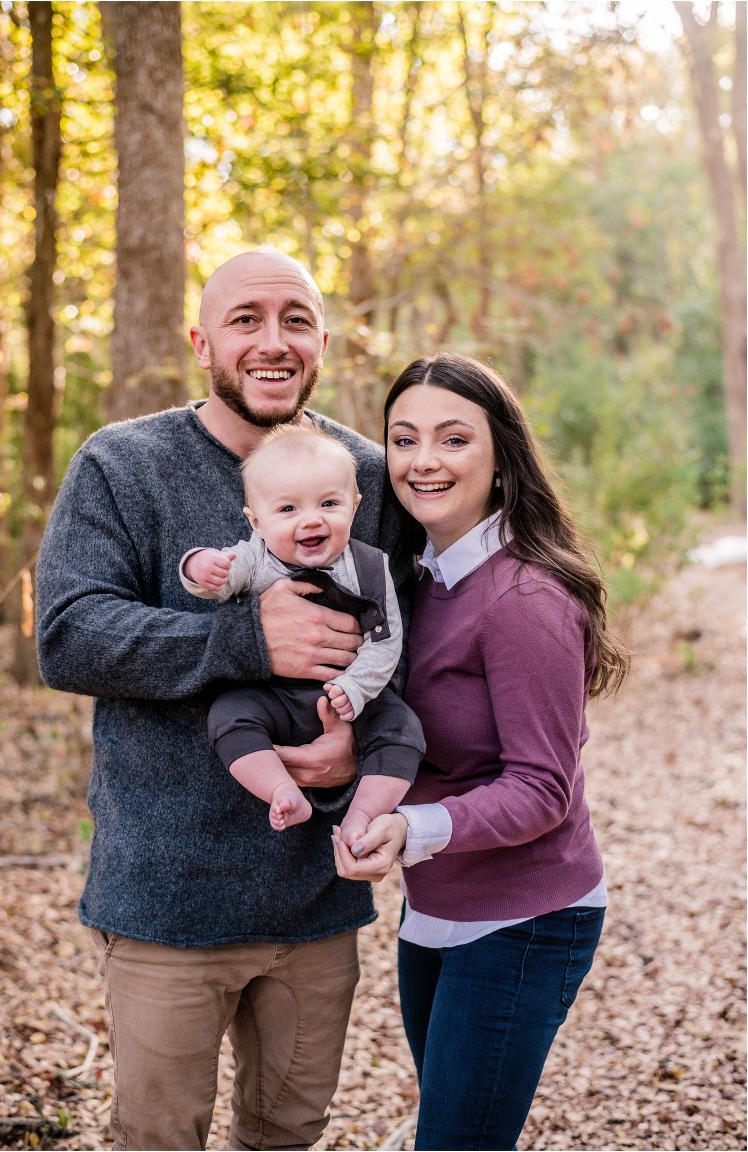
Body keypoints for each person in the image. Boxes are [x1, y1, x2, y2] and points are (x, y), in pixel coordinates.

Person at [36, 247, 416, 1152]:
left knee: (287, 1131)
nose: (273, 341)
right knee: (160, 1137)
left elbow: (410, 647)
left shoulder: (365, 474)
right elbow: (67, 632)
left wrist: (361, 748)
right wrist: (241, 639)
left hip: (313, 903)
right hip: (168, 900)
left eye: (296, 319)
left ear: (323, 339)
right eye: (246, 319)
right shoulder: (122, 465)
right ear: (203, 340)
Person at [333, 353, 630, 1152]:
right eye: (404, 439)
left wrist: (412, 828)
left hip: (527, 916)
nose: (424, 460)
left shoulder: (524, 597)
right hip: (435, 907)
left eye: (453, 438)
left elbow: (543, 789)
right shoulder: (418, 580)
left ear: (501, 459)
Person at [180, 422, 424, 836]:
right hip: (272, 695)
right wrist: (199, 567)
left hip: (346, 696)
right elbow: (219, 580)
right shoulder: (256, 559)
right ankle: (281, 791)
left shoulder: (367, 566)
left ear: (355, 505)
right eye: (288, 510)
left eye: (329, 504)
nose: (310, 521)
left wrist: (358, 687)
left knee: (403, 729)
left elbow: (386, 640)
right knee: (228, 715)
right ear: (256, 522)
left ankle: (363, 816)